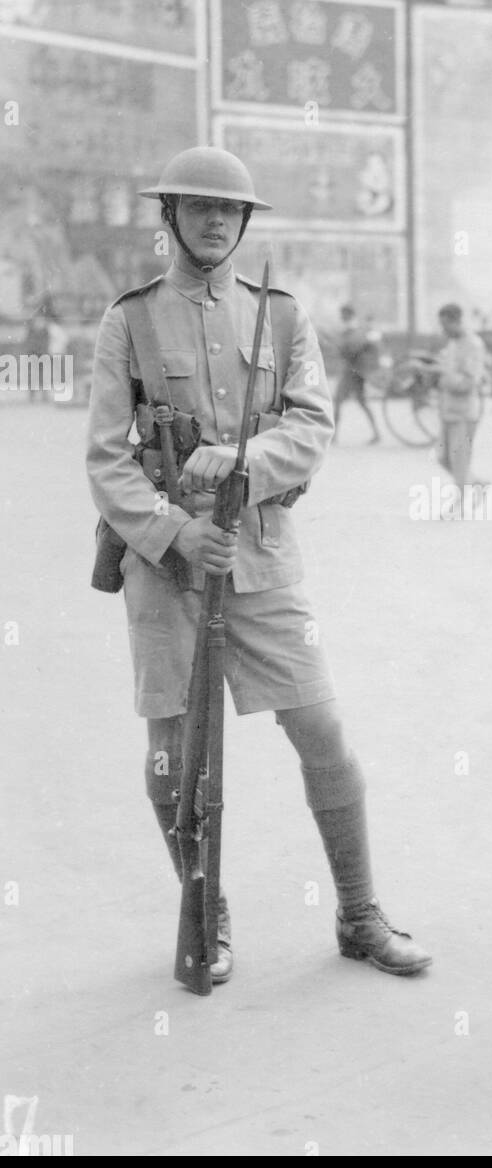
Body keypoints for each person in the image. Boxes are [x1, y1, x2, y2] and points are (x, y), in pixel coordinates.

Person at [86, 146, 430, 984]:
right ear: (168, 216)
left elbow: (312, 424)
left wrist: (240, 462)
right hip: (165, 568)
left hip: (261, 554)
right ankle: (205, 907)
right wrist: (171, 530)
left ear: (244, 222)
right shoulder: (126, 321)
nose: (215, 221)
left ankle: (358, 912)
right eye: (198, 207)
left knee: (321, 730)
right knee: (172, 752)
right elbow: (104, 460)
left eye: (230, 210)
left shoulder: (281, 316)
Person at [434, 302, 486, 502]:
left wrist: (444, 377)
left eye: (445, 324)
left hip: (464, 413)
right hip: (448, 410)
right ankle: (477, 485)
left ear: (456, 322)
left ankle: (460, 505)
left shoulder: (473, 344)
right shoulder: (453, 343)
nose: (443, 329)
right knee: (443, 458)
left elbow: (470, 381)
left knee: (459, 460)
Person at [332, 304, 381, 443]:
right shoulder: (355, 329)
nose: (341, 317)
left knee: (338, 401)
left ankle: (334, 436)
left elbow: (350, 348)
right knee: (361, 402)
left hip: (352, 371)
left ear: (347, 315)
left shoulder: (353, 329)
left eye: (343, 314)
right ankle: (376, 433)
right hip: (356, 371)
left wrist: (341, 347)